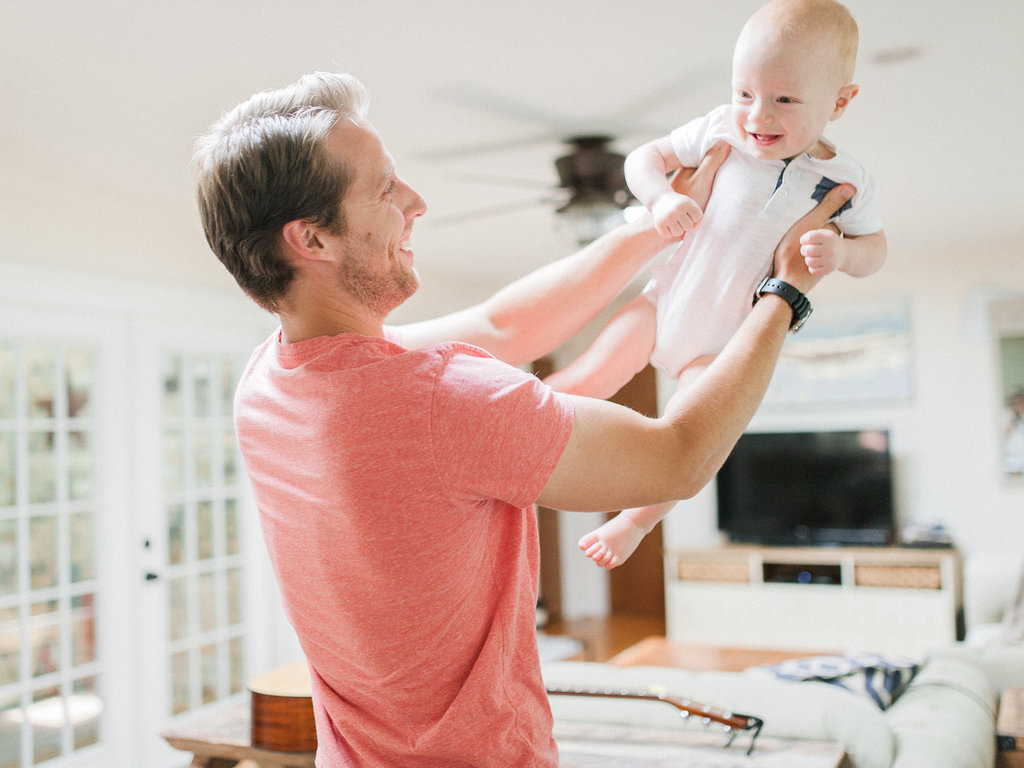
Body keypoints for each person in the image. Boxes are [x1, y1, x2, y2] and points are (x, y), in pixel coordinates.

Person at [192, 70, 851, 767]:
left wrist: (656, 228)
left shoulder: (270, 379)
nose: (417, 202)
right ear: (312, 240)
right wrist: (782, 294)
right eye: (385, 189)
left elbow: (502, 326)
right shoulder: (442, 401)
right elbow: (678, 456)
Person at [549, 0, 888, 570]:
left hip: (721, 347)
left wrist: (845, 252)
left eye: (784, 99)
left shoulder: (846, 178)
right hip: (663, 302)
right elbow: (642, 159)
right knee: (584, 378)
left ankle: (634, 522)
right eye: (744, 92)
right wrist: (661, 198)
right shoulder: (718, 127)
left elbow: (876, 251)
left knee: (684, 444)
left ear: (840, 101)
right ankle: (508, 425)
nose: (758, 115)